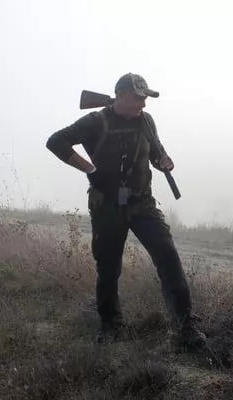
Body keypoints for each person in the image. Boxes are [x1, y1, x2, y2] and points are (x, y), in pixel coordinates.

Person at [45, 72, 206, 347]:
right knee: (108, 268)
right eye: (137, 98)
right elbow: (55, 141)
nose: (142, 104)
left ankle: (186, 324)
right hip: (107, 205)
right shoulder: (96, 121)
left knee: (168, 257)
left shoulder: (146, 120)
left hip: (143, 203)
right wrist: (89, 168)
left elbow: (156, 152)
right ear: (119, 96)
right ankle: (110, 326)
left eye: (145, 98)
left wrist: (164, 161)